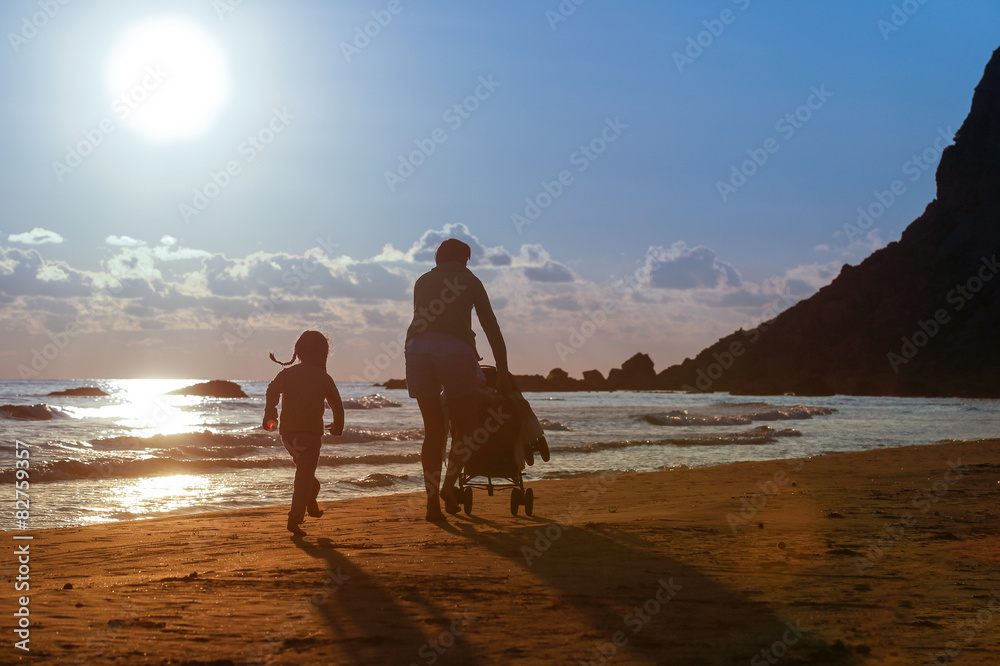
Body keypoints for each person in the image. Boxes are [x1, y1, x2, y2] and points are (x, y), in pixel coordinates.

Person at [404, 238, 511, 521]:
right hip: (453, 350)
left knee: (433, 431)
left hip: (416, 349)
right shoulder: (470, 280)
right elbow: (491, 327)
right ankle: (449, 487)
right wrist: (502, 370)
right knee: (465, 428)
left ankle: (431, 503)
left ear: (438, 258)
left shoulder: (422, 280)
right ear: (465, 259)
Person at [263, 330, 345, 536]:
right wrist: (337, 428)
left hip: (288, 436)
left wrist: (271, 413)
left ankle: (310, 499)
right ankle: (295, 518)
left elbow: (272, 390)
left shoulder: (287, 374)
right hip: (310, 435)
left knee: (305, 473)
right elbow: (337, 405)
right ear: (323, 354)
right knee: (304, 476)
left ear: (298, 352)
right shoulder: (323, 378)